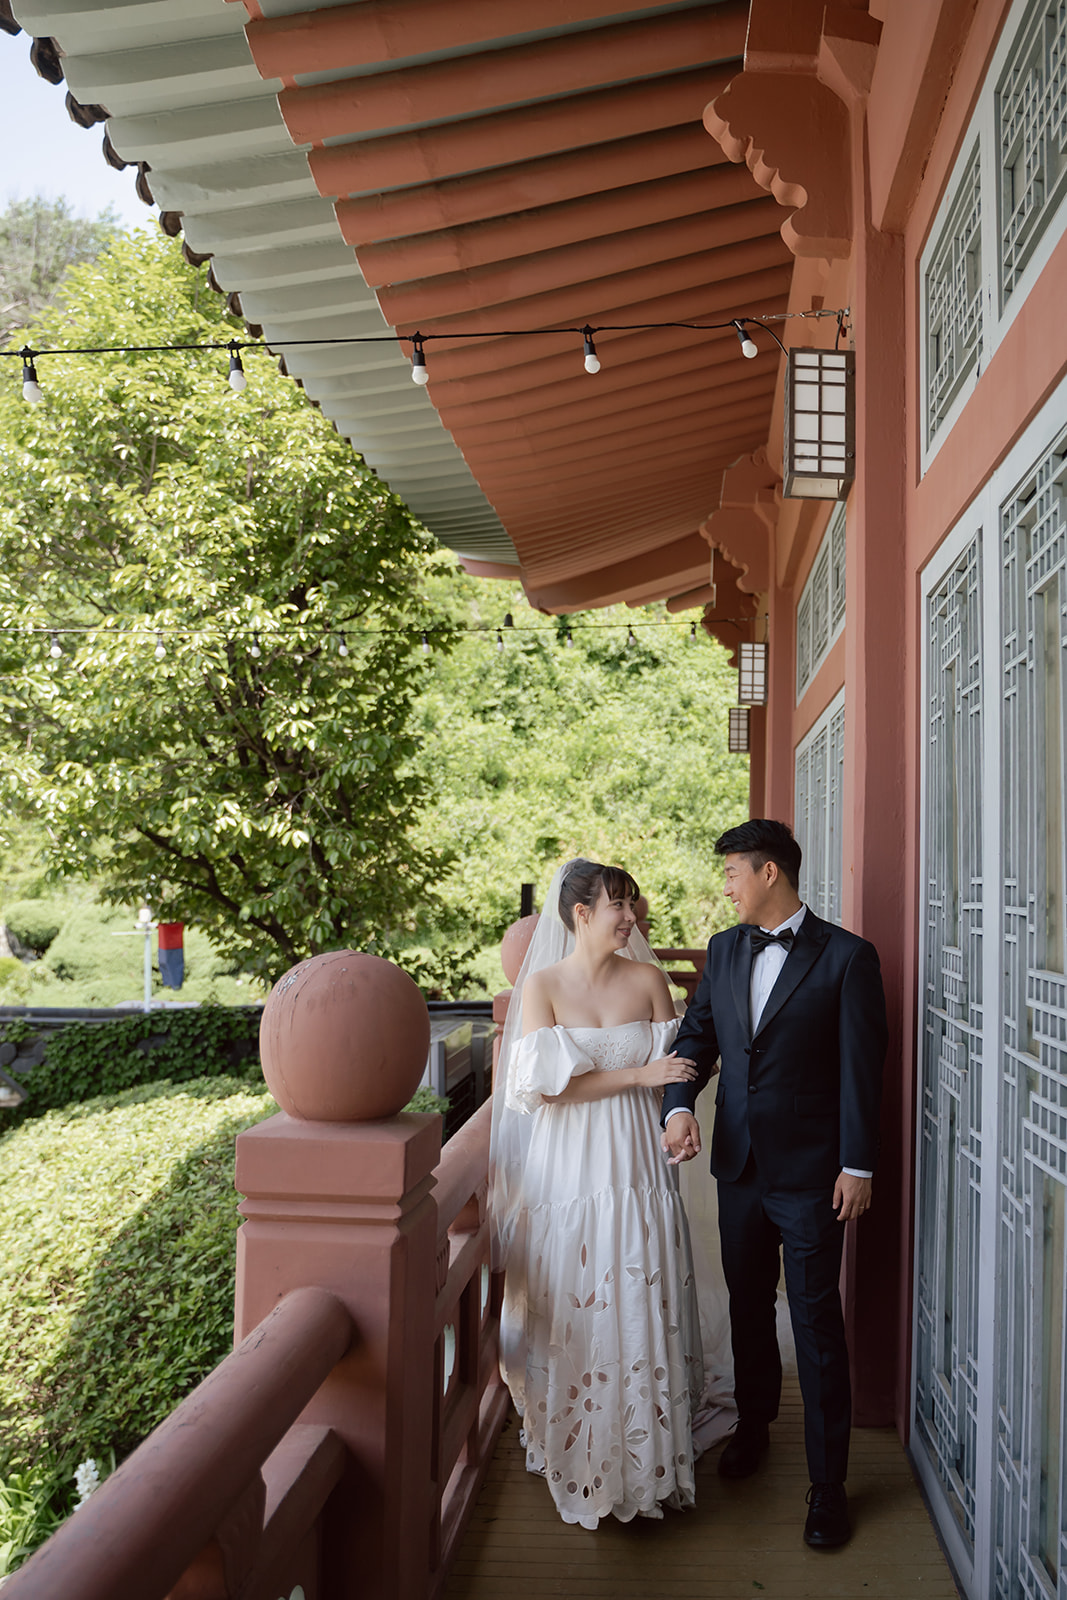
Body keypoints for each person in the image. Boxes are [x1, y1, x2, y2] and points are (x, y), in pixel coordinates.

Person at [661, 819, 887, 1550]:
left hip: (817, 1176)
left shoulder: (848, 957)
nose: (724, 885)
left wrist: (858, 1164)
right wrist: (675, 1107)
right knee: (749, 1306)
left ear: (768, 874)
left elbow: (861, 1068)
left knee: (817, 1325)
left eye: (731, 872)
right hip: (738, 1168)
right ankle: (752, 1427)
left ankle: (827, 1488)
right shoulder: (724, 950)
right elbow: (696, 1036)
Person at [489, 857, 723, 1529]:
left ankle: (646, 1457)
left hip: (634, 1158)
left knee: (639, 1288)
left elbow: (676, 1070)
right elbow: (542, 1087)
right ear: (579, 914)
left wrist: (676, 1114)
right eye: (616, 905)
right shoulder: (542, 987)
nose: (631, 917)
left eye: (632, 903)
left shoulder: (648, 980)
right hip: (569, 1166)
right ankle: (584, 1452)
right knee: (578, 1295)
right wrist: (636, 1074)